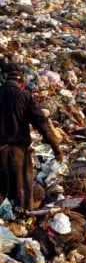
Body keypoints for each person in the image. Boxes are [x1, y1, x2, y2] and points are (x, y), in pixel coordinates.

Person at [0, 63, 63, 210]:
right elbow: (42, 123)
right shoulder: (26, 97)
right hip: (19, 154)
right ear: (21, 84)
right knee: (21, 191)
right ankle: (21, 219)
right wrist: (56, 149)